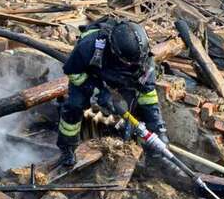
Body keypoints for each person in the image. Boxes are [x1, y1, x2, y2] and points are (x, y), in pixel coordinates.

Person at [57, 18, 168, 166]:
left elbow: (147, 95)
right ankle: (67, 148)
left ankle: (150, 156)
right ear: (114, 52)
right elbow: (73, 72)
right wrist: (98, 91)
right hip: (91, 74)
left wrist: (158, 130)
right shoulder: (89, 46)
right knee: (74, 106)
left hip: (123, 78)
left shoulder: (143, 59)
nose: (134, 65)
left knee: (135, 112)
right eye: (129, 62)